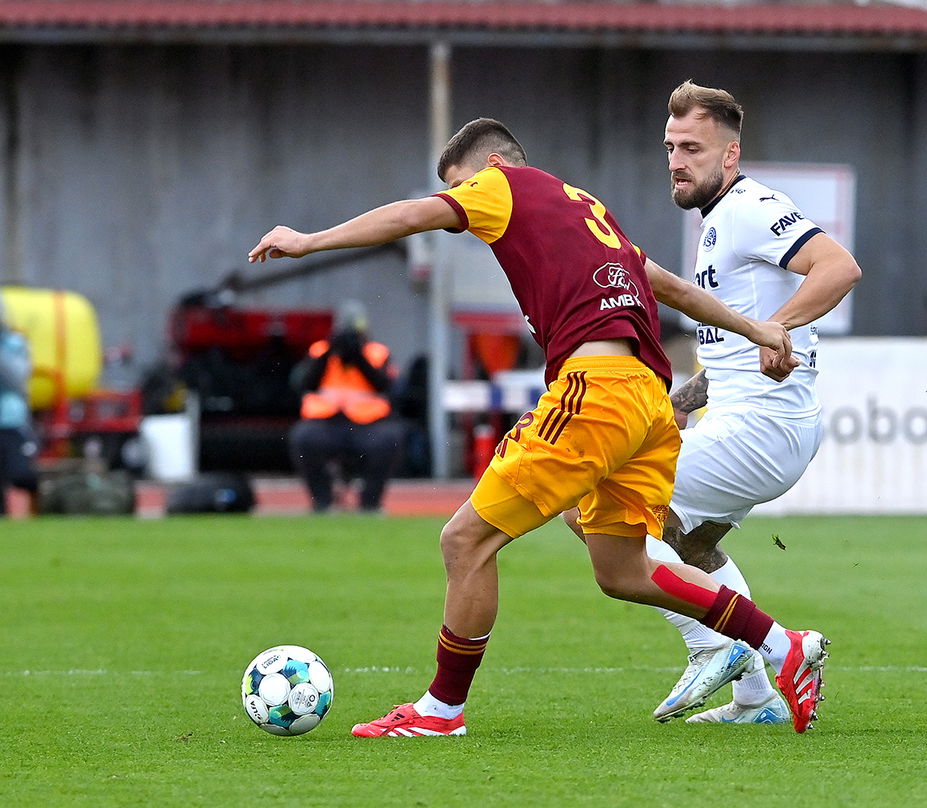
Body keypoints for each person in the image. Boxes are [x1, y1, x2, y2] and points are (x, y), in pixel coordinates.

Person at [248, 117, 829, 737]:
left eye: (461, 188)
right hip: (647, 402)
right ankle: (783, 646)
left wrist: (309, 241)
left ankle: (441, 711)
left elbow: (413, 215)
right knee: (623, 571)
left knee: (464, 541)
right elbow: (673, 290)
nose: (462, 207)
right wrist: (758, 328)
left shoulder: (502, 185)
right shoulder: (585, 212)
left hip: (596, 392)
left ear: (491, 168)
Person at [565, 81, 861, 724]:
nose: (677, 161)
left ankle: (720, 645)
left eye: (692, 148)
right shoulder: (717, 223)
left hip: (763, 427)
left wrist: (775, 329)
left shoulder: (752, 207)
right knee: (694, 546)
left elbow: (839, 267)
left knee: (590, 502)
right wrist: (684, 398)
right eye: (670, 147)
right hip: (748, 419)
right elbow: (731, 349)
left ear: (730, 154)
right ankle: (755, 699)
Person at [288, 300, 404, 513]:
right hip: (326, 422)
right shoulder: (320, 351)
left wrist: (359, 358)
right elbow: (304, 383)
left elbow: (389, 387)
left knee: (389, 439)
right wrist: (330, 352)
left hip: (368, 424)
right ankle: (322, 501)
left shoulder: (377, 353)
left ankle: (370, 503)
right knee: (303, 437)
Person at [0, 297, 39, 516]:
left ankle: (40, 509)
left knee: (20, 474)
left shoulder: (14, 344)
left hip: (9, 420)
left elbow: (17, 379)